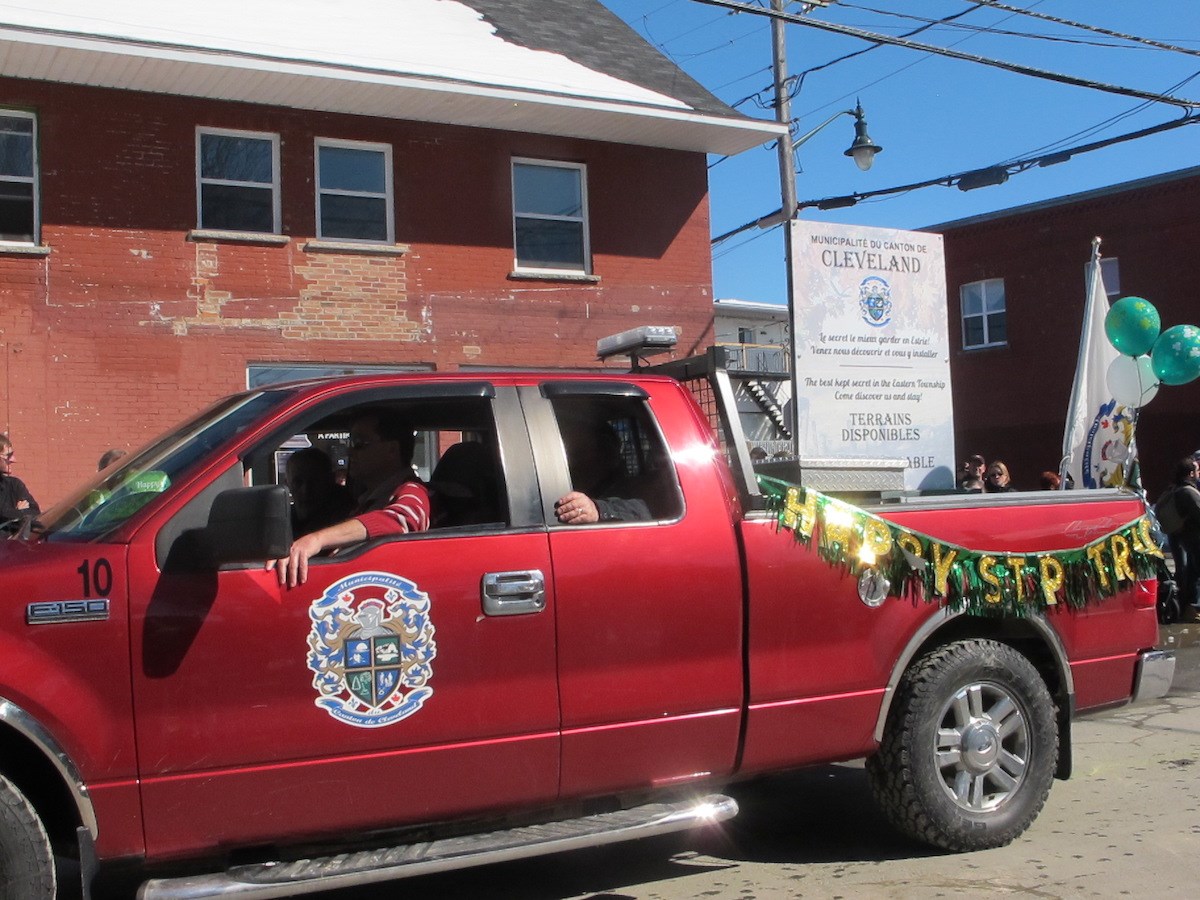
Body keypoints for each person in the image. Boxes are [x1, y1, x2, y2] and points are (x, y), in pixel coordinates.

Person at [269, 408, 429, 587]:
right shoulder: (367, 498)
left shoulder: (412, 490)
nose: (350, 452)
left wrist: (316, 540)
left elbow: (402, 520)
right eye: (350, 443)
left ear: (392, 449)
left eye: (359, 443)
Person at [555, 415, 651, 525]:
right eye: (574, 452)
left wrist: (599, 509)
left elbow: (650, 509)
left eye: (581, 451)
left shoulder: (628, 485)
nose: (575, 458)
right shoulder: (568, 479)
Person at [1155, 457, 1200, 622]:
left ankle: (1187, 608)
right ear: (1190, 473)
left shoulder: (1172, 490)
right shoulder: (1188, 492)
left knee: (1188, 572)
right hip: (1194, 538)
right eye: (1196, 471)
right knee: (1193, 573)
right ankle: (1191, 608)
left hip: (1179, 537)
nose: (1198, 474)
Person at [286, 447, 354, 536]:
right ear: (287, 485)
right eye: (297, 482)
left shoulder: (347, 519)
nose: (306, 490)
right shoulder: (284, 520)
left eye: (314, 481)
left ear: (330, 480)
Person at [0, 433, 39, 531]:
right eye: (8, 455)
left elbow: (35, 513)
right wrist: (17, 514)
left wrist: (11, 515)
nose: (14, 460)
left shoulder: (14, 485)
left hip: (10, 546)